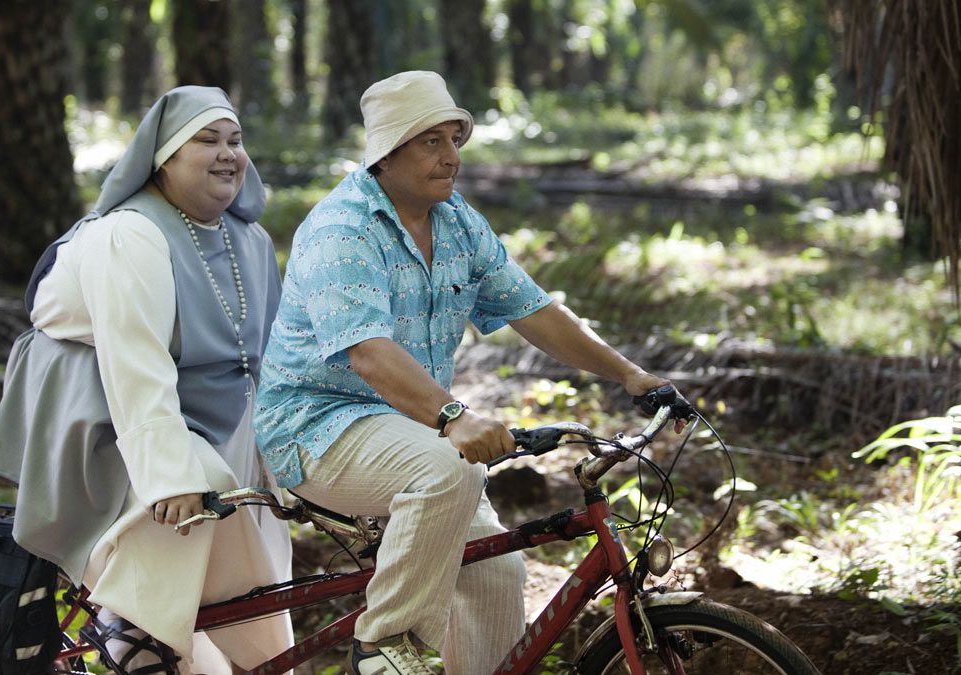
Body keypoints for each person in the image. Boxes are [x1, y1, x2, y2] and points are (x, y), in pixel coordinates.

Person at [253, 71, 681, 675]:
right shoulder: (342, 230)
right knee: (447, 468)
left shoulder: (456, 221)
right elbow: (368, 352)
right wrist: (454, 414)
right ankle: (383, 645)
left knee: (498, 569)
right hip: (316, 428)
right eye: (431, 141)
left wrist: (631, 375)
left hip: (411, 428)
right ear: (387, 153)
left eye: (455, 138)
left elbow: (535, 311)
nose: (451, 156)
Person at [0, 86, 292, 675]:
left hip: (217, 419)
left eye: (235, 140)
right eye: (206, 140)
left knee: (254, 547)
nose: (227, 154)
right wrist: (167, 477)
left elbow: (268, 357)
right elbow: (134, 362)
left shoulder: (248, 239)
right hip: (103, 417)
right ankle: (134, 639)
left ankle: (228, 652)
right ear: (164, 156)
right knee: (189, 513)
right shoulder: (130, 235)